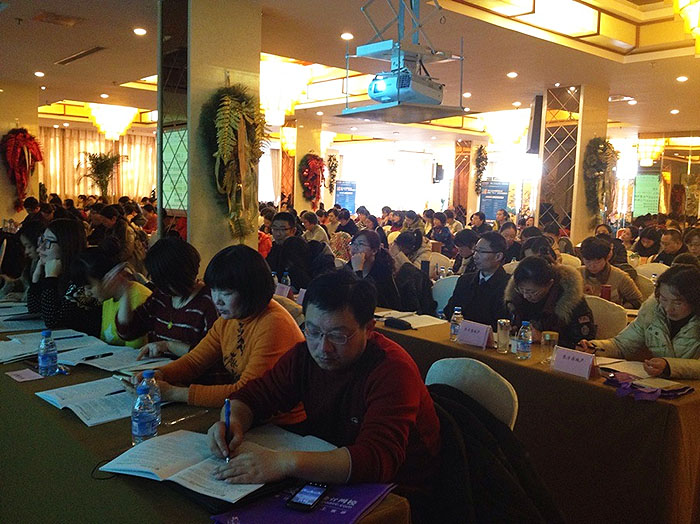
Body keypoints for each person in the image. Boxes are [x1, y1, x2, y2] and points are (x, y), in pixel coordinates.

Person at [206, 270, 440, 508]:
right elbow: (254, 396)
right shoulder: (304, 356)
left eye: (338, 336)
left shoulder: (392, 369)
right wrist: (232, 421)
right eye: (313, 331)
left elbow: (377, 460)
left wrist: (285, 463)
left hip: (400, 495)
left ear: (369, 329)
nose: (323, 347)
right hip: (331, 471)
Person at [136, 245, 307, 415]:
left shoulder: (273, 323)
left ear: (251, 291)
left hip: (282, 422)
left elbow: (246, 392)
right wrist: (157, 375)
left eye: (226, 293)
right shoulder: (229, 319)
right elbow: (195, 362)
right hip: (246, 415)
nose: (217, 300)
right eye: (214, 290)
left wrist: (174, 393)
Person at [578, 264, 700, 379]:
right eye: (663, 299)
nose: (668, 308)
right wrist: (595, 347)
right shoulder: (652, 311)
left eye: (678, 303)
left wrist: (668, 366)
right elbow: (622, 345)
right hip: (662, 383)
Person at [114, 237, 218, 358]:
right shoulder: (160, 298)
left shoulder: (209, 302)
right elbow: (127, 332)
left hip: (189, 369)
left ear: (177, 277)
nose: (157, 285)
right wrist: (125, 292)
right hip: (158, 368)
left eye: (161, 281)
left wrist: (168, 346)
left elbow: (211, 355)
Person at [27, 219, 102, 335]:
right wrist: (36, 277)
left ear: (66, 245)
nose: (40, 248)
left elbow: (53, 321)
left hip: (85, 341)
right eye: (42, 240)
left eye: (48, 242)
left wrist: (51, 278)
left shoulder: (82, 276)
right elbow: (35, 310)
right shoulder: (60, 272)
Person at [505, 256, 596, 347]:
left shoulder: (571, 301)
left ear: (549, 284)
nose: (525, 296)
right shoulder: (516, 298)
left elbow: (584, 344)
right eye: (521, 290)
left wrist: (544, 338)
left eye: (532, 292)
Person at [72, 245, 152, 348]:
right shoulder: (108, 298)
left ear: (108, 278)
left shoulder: (138, 297)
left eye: (89, 287)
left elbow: (134, 350)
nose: (87, 293)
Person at [443, 232, 510, 330]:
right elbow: (450, 311)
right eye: (475, 250)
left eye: (481, 252)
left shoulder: (509, 286)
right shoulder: (465, 281)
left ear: (498, 256)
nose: (475, 256)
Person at [579, 236, 642, 308]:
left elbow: (637, 301)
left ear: (607, 258)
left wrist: (618, 309)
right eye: (588, 261)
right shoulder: (576, 274)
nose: (592, 266)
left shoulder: (620, 277)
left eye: (597, 262)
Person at [347, 230, 400, 309]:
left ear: (374, 251)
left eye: (360, 244)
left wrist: (358, 271)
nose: (355, 247)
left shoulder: (382, 271)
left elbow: (363, 300)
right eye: (353, 243)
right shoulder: (349, 266)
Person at [266, 212, 313, 291]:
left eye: (283, 229)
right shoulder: (275, 246)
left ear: (293, 230)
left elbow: (301, 279)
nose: (278, 234)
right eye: (275, 229)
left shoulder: (297, 246)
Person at [0, 220, 44, 301]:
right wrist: (7, 281)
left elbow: (41, 293)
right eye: (25, 247)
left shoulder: (47, 266)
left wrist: (22, 296)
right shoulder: (31, 262)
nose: (26, 252)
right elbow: (23, 282)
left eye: (29, 246)